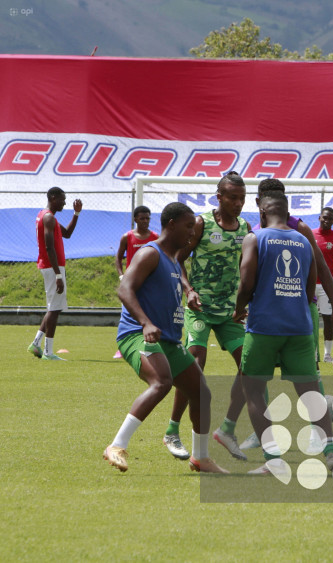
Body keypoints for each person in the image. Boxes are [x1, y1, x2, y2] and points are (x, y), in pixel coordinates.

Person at [103, 202, 228, 473]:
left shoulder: (173, 259)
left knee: (201, 393)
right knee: (161, 382)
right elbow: (124, 290)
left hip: (168, 341)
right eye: (188, 227)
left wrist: (189, 292)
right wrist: (146, 323)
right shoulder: (151, 253)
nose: (192, 234)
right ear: (171, 225)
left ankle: (200, 457)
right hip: (137, 335)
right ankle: (116, 445)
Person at [233, 178, 333, 452]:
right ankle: (264, 432)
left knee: (298, 376)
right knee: (271, 376)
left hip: (288, 313)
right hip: (282, 313)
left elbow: (321, 271)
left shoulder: (299, 229)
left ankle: (307, 437)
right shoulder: (257, 230)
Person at [161, 172, 251, 462]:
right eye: (232, 198)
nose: (238, 203)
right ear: (219, 197)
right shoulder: (201, 223)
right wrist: (188, 289)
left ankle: (227, 430)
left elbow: (244, 268)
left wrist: (244, 301)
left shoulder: (245, 228)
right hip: (199, 308)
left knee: (250, 367)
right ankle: (172, 431)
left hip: (229, 313)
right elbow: (178, 257)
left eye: (242, 198)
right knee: (195, 363)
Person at [28, 187, 82, 361]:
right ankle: (48, 352)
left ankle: (36, 343)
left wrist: (76, 214)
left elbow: (67, 234)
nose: (64, 202)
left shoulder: (46, 216)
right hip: (53, 267)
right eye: (62, 199)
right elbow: (49, 247)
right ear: (53, 197)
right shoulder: (49, 217)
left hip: (52, 267)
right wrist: (58, 275)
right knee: (55, 308)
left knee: (53, 307)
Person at [113, 205, 159, 359]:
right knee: (127, 313)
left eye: (147, 218)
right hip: (131, 283)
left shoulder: (155, 237)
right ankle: (122, 347)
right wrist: (121, 275)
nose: (145, 221)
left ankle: (150, 343)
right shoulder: (127, 237)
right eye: (142, 218)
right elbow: (119, 257)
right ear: (135, 219)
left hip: (149, 283)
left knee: (149, 313)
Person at [312, 207, 333, 362]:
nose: (327, 221)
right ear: (319, 217)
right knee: (309, 318)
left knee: (328, 319)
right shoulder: (310, 235)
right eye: (324, 217)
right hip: (310, 284)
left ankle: (327, 354)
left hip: (327, 286)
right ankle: (312, 352)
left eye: (330, 218)